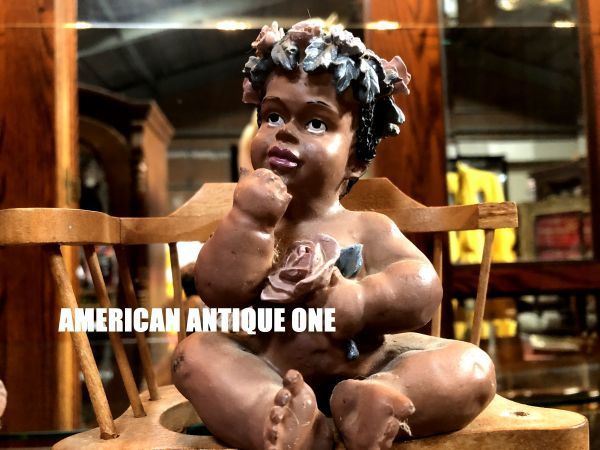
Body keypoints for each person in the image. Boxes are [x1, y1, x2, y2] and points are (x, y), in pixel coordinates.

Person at [172, 20, 495, 450]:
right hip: (268, 365)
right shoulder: (249, 221)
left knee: (473, 366)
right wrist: (248, 223)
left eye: (316, 123)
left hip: (367, 365)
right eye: (272, 116)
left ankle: (373, 402)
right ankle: (281, 419)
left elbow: (422, 286)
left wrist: (362, 300)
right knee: (194, 354)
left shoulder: (367, 227)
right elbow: (218, 289)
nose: (285, 131)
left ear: (356, 161)